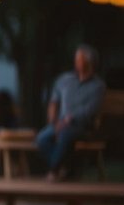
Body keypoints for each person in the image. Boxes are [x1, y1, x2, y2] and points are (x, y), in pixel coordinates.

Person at [36, 44, 106, 181]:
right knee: (42, 139)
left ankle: (53, 170)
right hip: (60, 124)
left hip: (83, 126)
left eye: (79, 59)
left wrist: (70, 119)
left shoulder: (98, 86)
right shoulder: (64, 80)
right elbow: (53, 102)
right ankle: (66, 168)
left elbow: (90, 110)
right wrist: (53, 121)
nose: (76, 61)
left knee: (66, 134)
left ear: (89, 62)